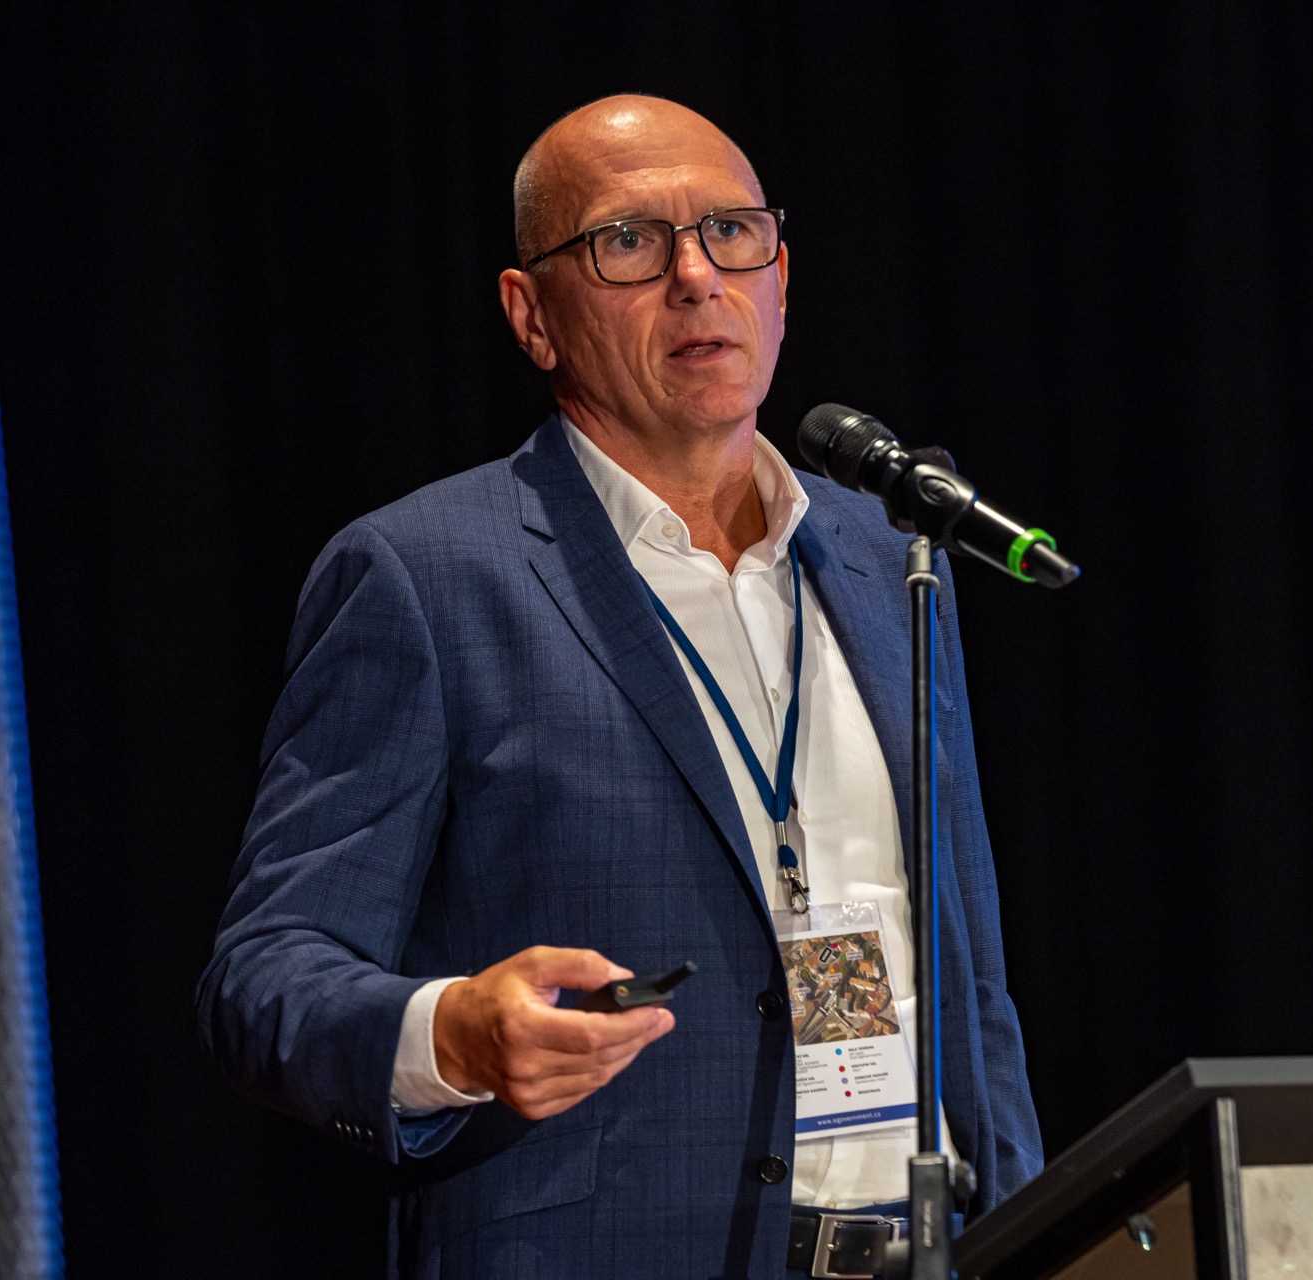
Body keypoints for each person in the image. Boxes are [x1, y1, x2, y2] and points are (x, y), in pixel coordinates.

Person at [197, 94, 1042, 1279]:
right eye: (629, 243)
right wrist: (454, 1034)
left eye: (731, 232)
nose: (697, 277)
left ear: (780, 277)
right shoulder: (428, 576)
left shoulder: (886, 553)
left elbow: (968, 972)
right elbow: (264, 974)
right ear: (531, 314)